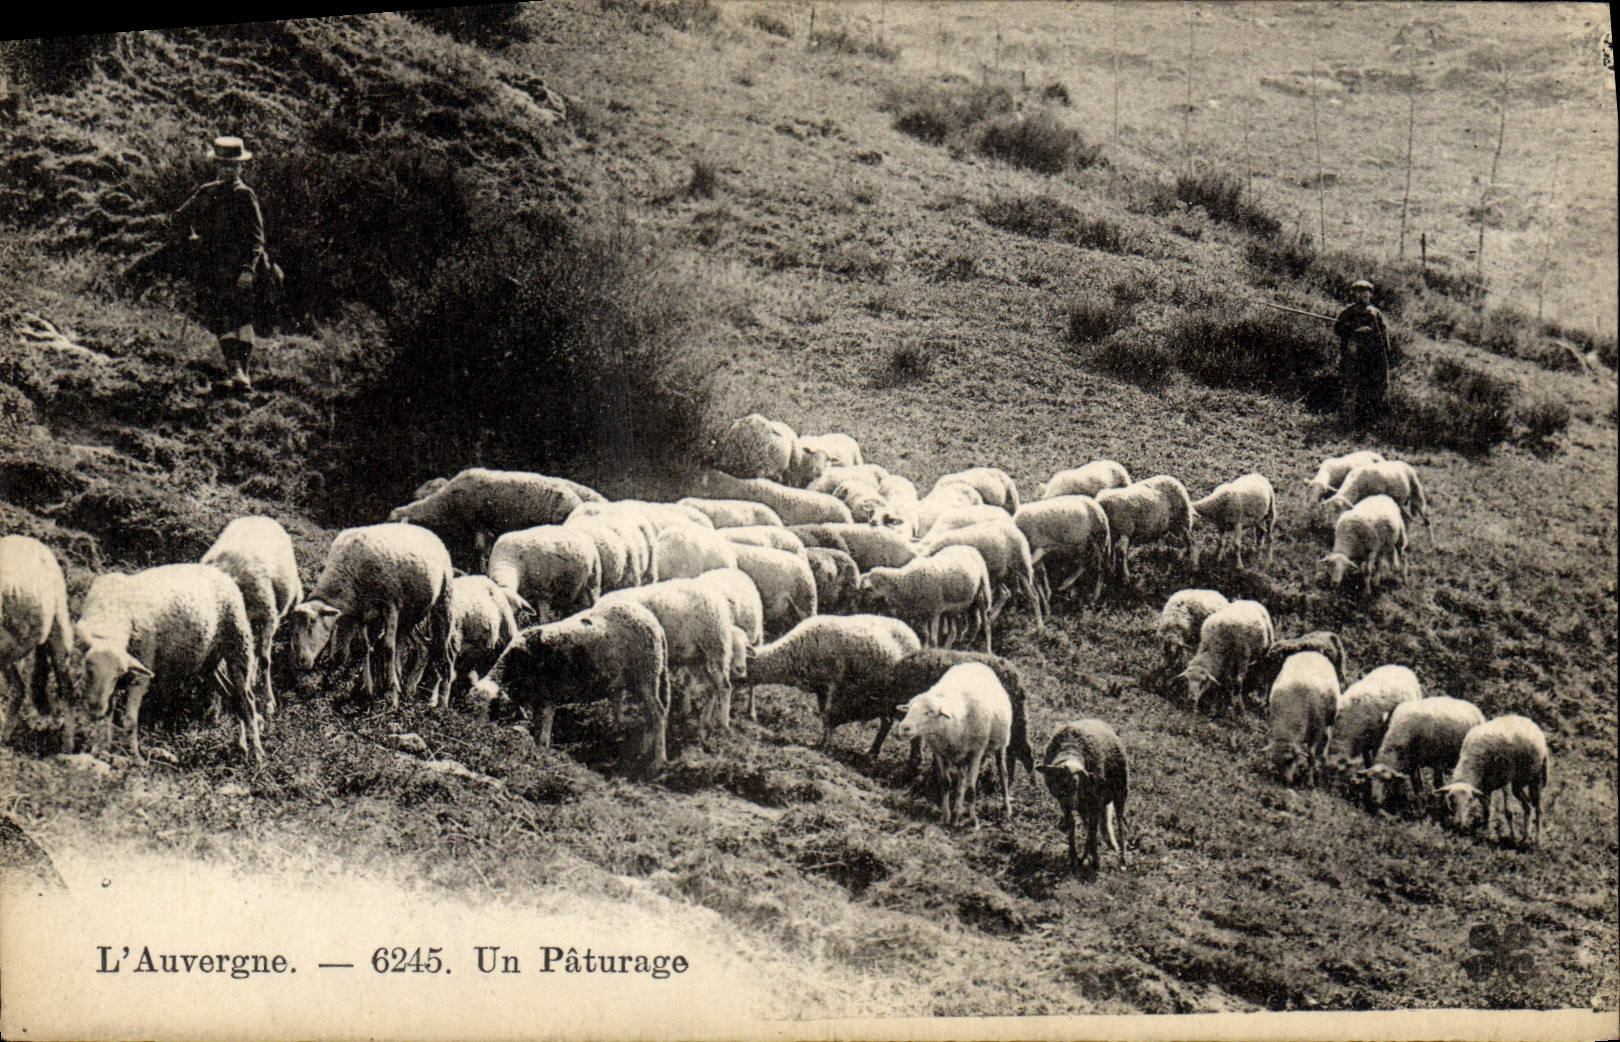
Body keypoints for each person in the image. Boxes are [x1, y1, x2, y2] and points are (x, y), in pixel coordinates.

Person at [171, 136, 273, 391]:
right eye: (224, 164)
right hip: (213, 267)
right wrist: (191, 239)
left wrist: (248, 269)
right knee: (221, 317)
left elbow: (257, 238)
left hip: (240, 268)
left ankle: (242, 374)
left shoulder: (245, 195)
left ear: (241, 167)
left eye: (233, 165)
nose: (228, 169)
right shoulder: (206, 192)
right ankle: (235, 372)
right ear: (216, 165)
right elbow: (179, 217)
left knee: (242, 317)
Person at [1333, 279, 1391, 431]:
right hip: (1354, 357)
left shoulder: (1375, 313)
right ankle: (1347, 423)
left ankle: (1368, 424)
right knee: (1351, 387)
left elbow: (1383, 334)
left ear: (1370, 295)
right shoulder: (1348, 312)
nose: (1363, 295)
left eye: (1366, 292)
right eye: (1359, 292)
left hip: (1373, 358)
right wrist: (1354, 330)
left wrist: (1386, 354)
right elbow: (1338, 329)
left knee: (1372, 389)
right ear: (1354, 294)